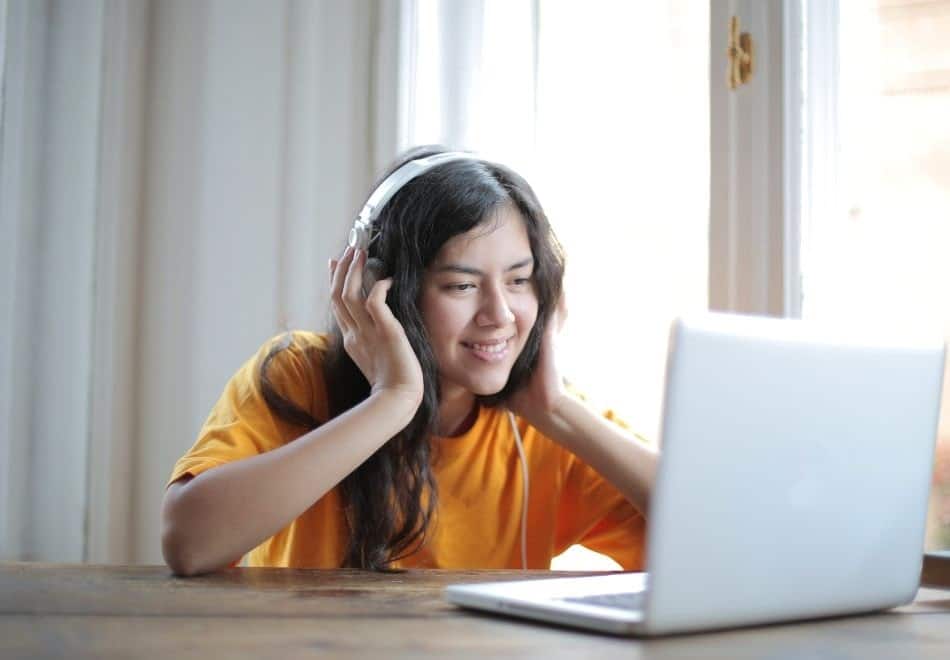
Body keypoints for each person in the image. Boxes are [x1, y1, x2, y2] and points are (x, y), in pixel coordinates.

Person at [161, 146, 658, 576]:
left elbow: (721, 544)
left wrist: (557, 412)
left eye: (519, 280)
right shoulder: (297, 375)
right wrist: (392, 401)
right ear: (385, 291)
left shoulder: (542, 423)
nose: (500, 314)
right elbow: (189, 543)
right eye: (461, 286)